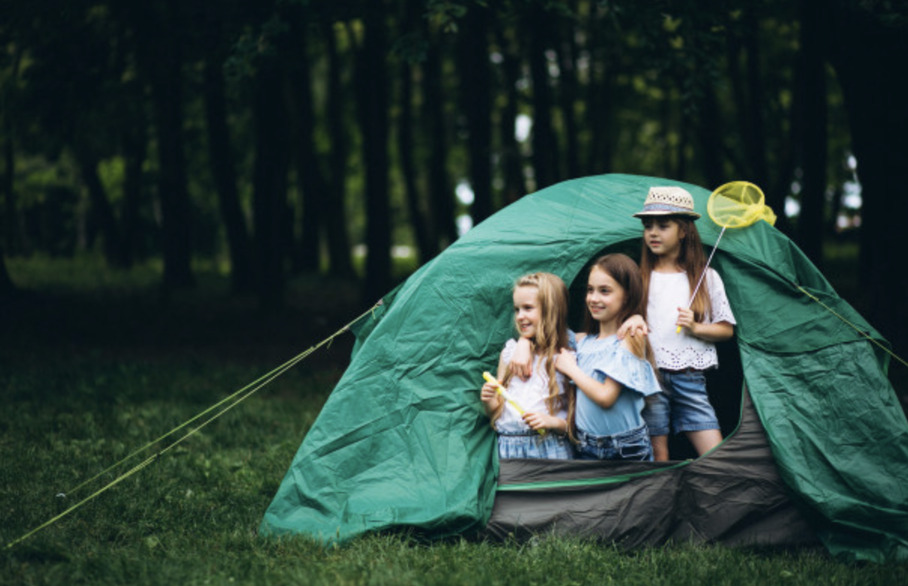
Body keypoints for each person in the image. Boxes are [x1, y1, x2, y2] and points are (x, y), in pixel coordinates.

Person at [627, 185, 736, 460]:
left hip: (690, 377)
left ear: (684, 231)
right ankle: (662, 499)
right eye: (648, 225)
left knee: (714, 452)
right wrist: (634, 317)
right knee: (657, 451)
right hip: (650, 375)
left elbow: (726, 330)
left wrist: (696, 327)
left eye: (663, 226)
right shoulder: (639, 276)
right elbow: (620, 325)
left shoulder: (705, 277)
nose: (653, 232)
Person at [553, 254, 662, 461]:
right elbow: (546, 331)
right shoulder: (583, 341)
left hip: (625, 448)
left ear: (627, 295)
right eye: (590, 290)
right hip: (585, 445)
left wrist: (572, 370)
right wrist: (522, 343)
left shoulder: (630, 338)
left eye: (605, 291)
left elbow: (606, 397)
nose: (594, 298)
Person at [480, 272, 574, 459]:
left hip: (549, 446)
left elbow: (576, 423)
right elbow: (498, 412)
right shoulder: (510, 353)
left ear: (551, 310)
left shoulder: (566, 358)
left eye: (528, 308)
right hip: (508, 447)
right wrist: (490, 400)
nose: (520, 316)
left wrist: (552, 422)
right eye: (517, 309)